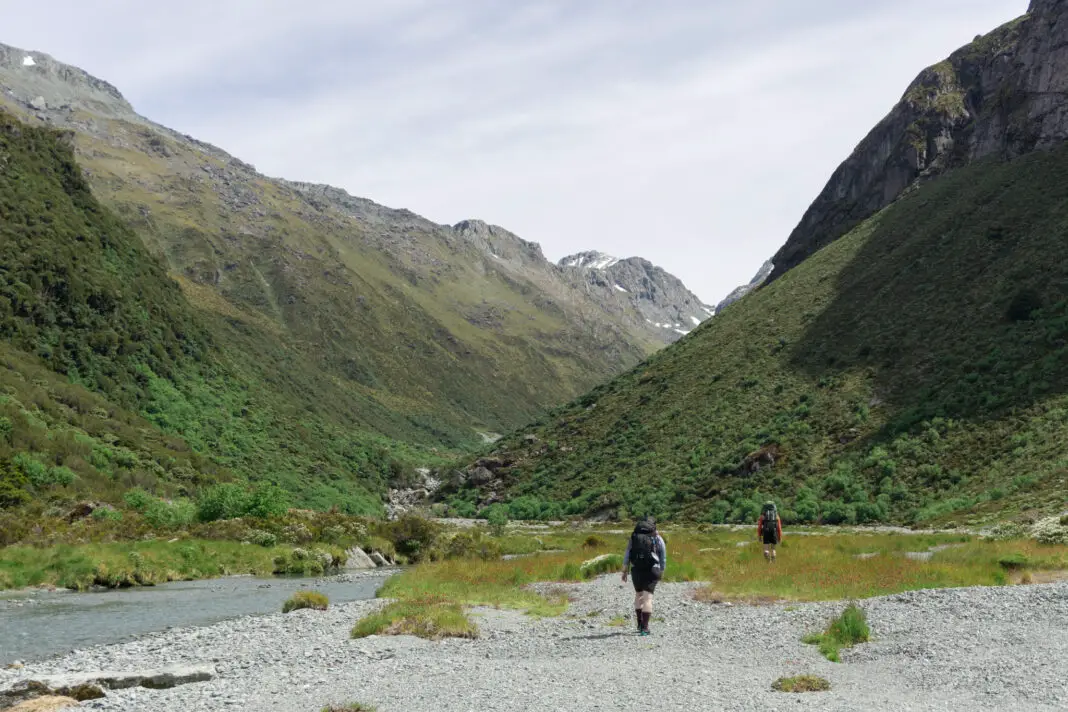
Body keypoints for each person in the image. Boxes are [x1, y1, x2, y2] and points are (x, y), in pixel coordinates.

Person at [621, 516, 667, 636]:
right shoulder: (657, 537)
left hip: (636, 570)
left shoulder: (634, 536)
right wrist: (661, 570)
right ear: (654, 526)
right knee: (648, 599)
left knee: (638, 596)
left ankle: (639, 624)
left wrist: (625, 569)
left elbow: (627, 553)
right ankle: (645, 629)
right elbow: (663, 555)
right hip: (652, 569)